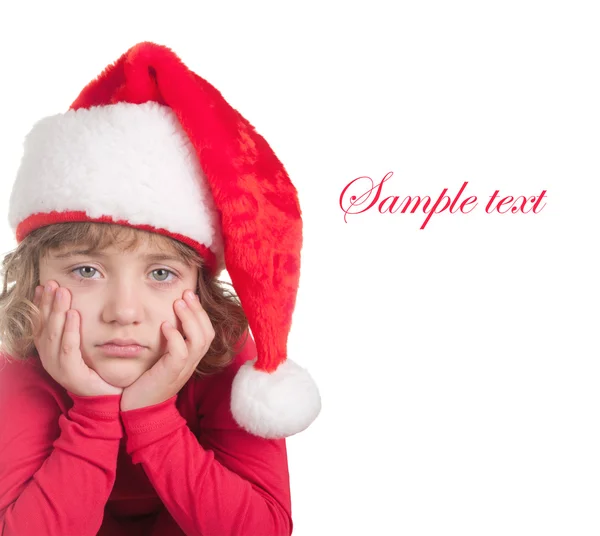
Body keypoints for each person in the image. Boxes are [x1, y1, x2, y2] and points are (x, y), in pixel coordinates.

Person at [0, 41, 321, 536]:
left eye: (160, 274)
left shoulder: (226, 357)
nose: (124, 312)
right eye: (86, 271)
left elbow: (264, 530)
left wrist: (153, 415)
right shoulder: (20, 359)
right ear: (36, 277)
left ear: (199, 286)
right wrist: (92, 413)